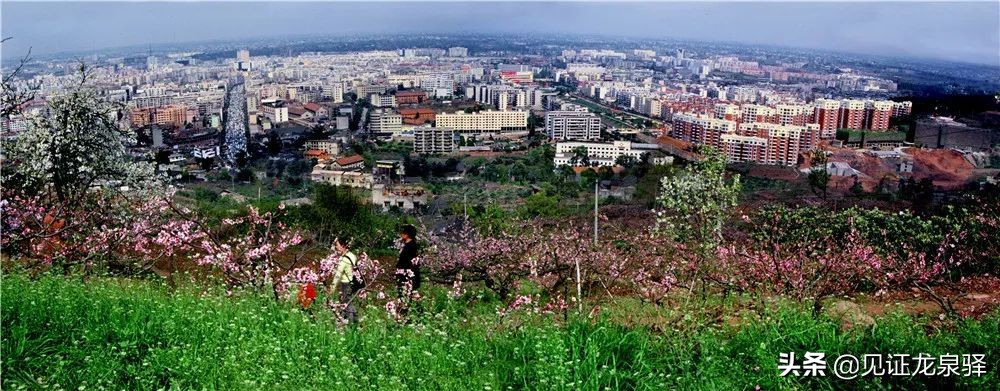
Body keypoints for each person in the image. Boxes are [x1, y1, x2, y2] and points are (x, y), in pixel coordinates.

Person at [331, 237, 358, 324]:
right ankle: (354, 320)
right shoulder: (352, 255)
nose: (336, 247)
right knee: (349, 301)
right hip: (353, 282)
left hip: (346, 283)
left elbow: (337, 275)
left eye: (337, 245)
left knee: (347, 303)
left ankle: (350, 323)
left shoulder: (344, 260)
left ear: (343, 246)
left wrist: (332, 288)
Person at [395, 224, 421, 296]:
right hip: (402, 275)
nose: (401, 234)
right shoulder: (407, 245)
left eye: (403, 233)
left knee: (406, 296)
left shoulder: (412, 246)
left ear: (407, 234)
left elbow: (413, 264)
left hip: (407, 276)